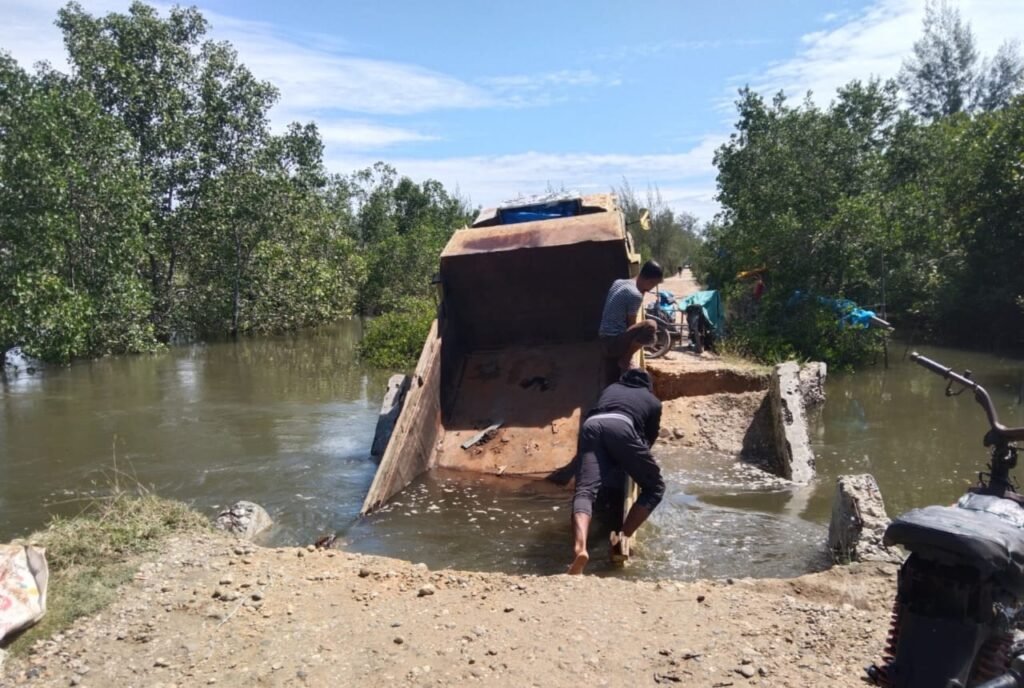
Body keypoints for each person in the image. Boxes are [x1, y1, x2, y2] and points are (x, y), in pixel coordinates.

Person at [568, 368, 664, 575]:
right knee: (655, 488)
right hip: (622, 426)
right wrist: (631, 461)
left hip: (591, 426)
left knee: (585, 490)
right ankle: (621, 539)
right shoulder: (653, 401)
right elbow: (648, 440)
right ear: (648, 386)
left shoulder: (611, 388)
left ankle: (580, 548)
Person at [598, 260, 664, 374]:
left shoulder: (619, 282)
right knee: (650, 325)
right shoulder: (635, 294)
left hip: (603, 339)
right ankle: (626, 359)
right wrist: (643, 342)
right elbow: (632, 324)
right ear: (650, 281)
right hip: (613, 342)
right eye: (653, 284)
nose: (651, 289)